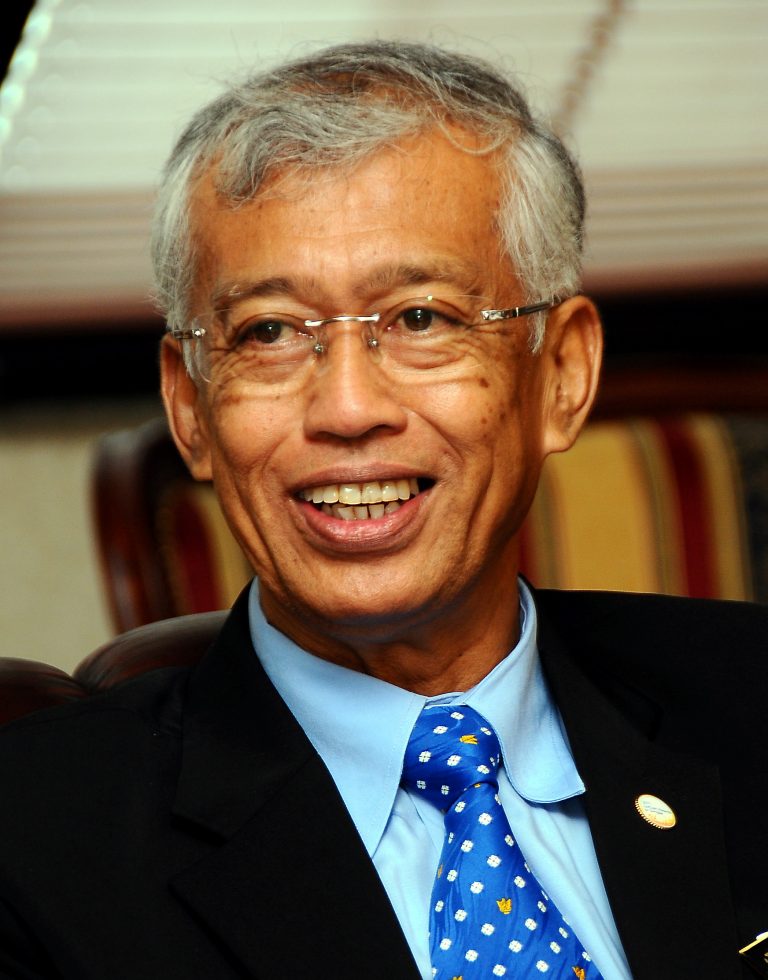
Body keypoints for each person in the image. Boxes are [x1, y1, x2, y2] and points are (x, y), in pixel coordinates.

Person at [0, 40, 766, 980]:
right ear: (190, 407)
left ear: (562, 375)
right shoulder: (32, 850)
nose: (349, 408)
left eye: (421, 318)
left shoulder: (750, 701)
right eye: (269, 333)